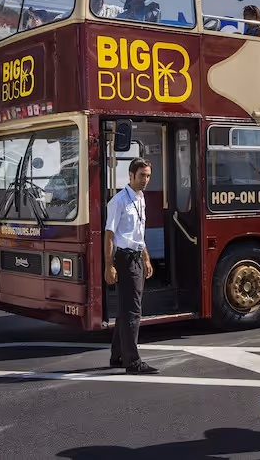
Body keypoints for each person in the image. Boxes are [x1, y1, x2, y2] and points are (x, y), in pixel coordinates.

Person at [105, 158, 158, 375]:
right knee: (133, 311)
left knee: (126, 310)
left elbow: (139, 233)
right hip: (124, 259)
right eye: (141, 176)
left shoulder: (140, 198)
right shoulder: (118, 201)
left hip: (137, 257)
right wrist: (109, 265)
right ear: (131, 176)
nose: (145, 180)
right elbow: (109, 235)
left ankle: (117, 355)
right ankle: (133, 362)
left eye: (148, 176)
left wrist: (146, 258)